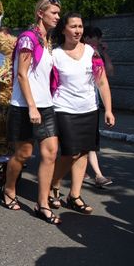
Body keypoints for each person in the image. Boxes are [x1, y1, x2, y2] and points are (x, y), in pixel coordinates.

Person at [48, 13, 115, 214]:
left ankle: (74, 195)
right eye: (73, 26)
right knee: (71, 152)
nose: (78, 30)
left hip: (89, 109)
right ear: (63, 30)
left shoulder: (91, 53)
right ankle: (53, 184)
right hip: (64, 108)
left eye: (80, 26)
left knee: (84, 151)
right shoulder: (55, 54)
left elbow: (102, 82)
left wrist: (109, 109)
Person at [3, 0, 61, 225]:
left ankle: (42, 204)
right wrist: (32, 107)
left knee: (50, 153)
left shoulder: (46, 41)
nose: (57, 16)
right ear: (41, 14)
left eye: (58, 13)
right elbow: (22, 74)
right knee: (23, 154)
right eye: (53, 12)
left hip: (46, 107)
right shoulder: (28, 39)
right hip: (25, 107)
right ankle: (8, 189)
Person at [83, 26, 114, 188]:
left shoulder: (95, 55)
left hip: (91, 104)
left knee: (90, 142)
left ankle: (97, 174)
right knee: (73, 147)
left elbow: (108, 73)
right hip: (68, 107)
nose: (99, 41)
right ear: (87, 38)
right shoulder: (75, 52)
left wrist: (104, 52)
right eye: (97, 38)